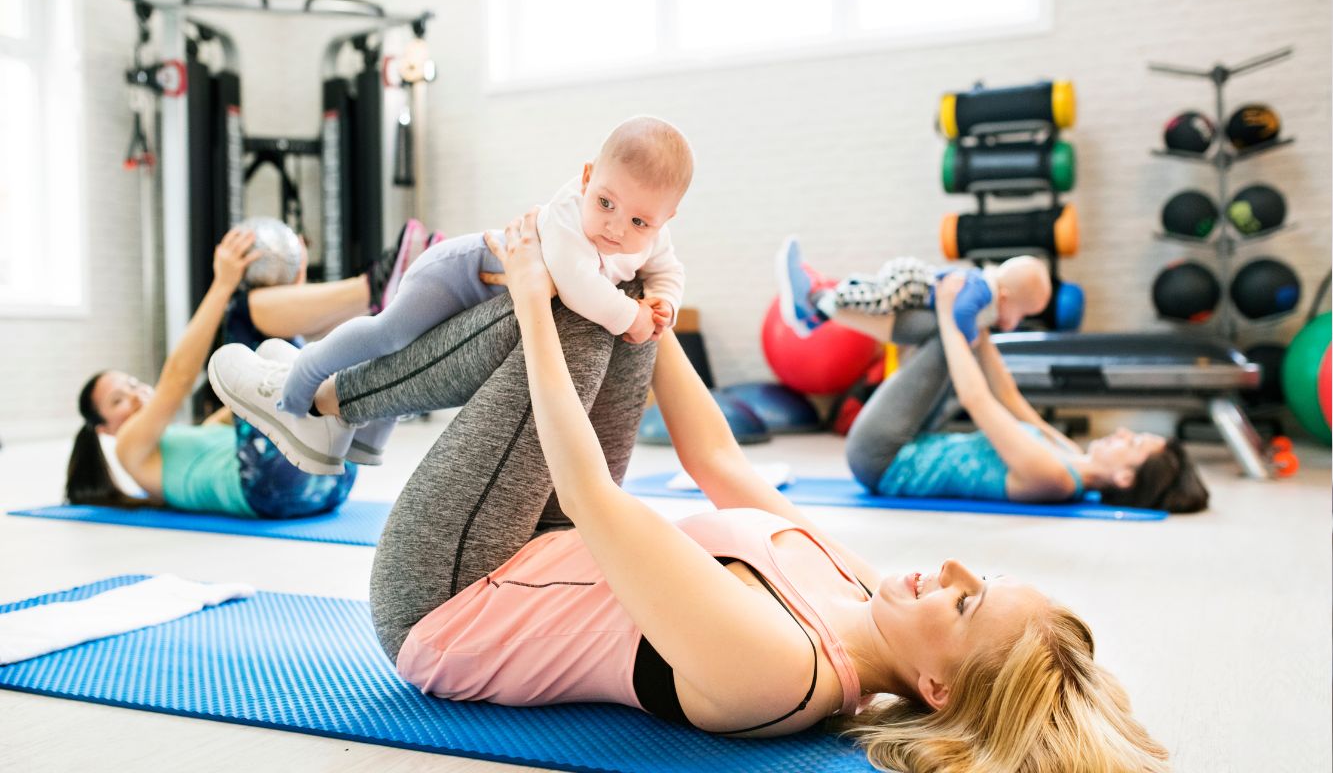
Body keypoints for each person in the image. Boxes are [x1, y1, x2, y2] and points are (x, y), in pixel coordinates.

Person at [218, 210, 1170, 770]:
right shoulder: (859, 587)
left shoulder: (782, 667)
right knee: (605, 303)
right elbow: (721, 465)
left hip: (450, 600)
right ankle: (334, 401)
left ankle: (325, 402)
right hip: (536, 542)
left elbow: (595, 497)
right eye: (975, 574)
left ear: (933, 685)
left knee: (574, 319)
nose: (947, 570)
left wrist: (543, 306)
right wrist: (647, 294)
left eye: (965, 603)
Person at [222, 116, 690, 475]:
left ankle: (366, 440)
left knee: (422, 356)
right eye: (606, 203)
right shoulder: (570, 215)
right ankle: (298, 384)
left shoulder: (649, 237)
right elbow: (578, 285)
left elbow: (667, 269)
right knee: (391, 335)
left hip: (490, 295)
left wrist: (665, 300)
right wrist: (631, 316)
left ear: (665, 220)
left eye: (639, 222)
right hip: (458, 269)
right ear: (587, 177)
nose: (614, 226)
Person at [63, 224, 409, 517]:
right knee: (241, 315)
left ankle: (383, 315)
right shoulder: (128, 449)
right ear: (105, 429)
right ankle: (375, 290)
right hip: (274, 486)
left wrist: (290, 299)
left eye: (134, 384)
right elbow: (178, 379)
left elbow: (263, 396)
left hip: (328, 476)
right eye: (118, 399)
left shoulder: (186, 440)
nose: (136, 394)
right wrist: (222, 284)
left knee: (275, 366)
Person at [841, 271, 1209, 512]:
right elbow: (1010, 399)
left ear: (1125, 478)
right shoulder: (1068, 453)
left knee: (944, 336)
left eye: (1133, 444)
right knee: (950, 333)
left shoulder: (1054, 477)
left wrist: (948, 313)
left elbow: (978, 401)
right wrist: (981, 331)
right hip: (914, 440)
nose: (1123, 434)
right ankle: (831, 306)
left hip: (883, 458)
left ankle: (824, 306)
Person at [776, 236, 1052, 342]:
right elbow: (962, 312)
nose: (1016, 321)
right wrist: (970, 337)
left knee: (872, 292)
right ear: (1005, 297)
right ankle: (822, 300)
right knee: (878, 300)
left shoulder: (984, 285)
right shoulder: (984, 289)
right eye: (1020, 313)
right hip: (914, 283)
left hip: (914, 282)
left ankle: (820, 305)